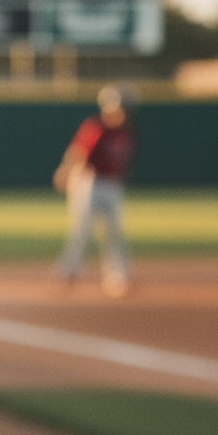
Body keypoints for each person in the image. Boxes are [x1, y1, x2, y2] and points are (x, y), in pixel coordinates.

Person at [53, 83, 139, 296]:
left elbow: (122, 162)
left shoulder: (127, 132)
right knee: (82, 231)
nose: (125, 112)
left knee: (114, 232)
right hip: (87, 181)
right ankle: (67, 273)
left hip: (111, 184)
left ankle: (117, 278)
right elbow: (79, 152)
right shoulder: (97, 127)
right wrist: (66, 171)